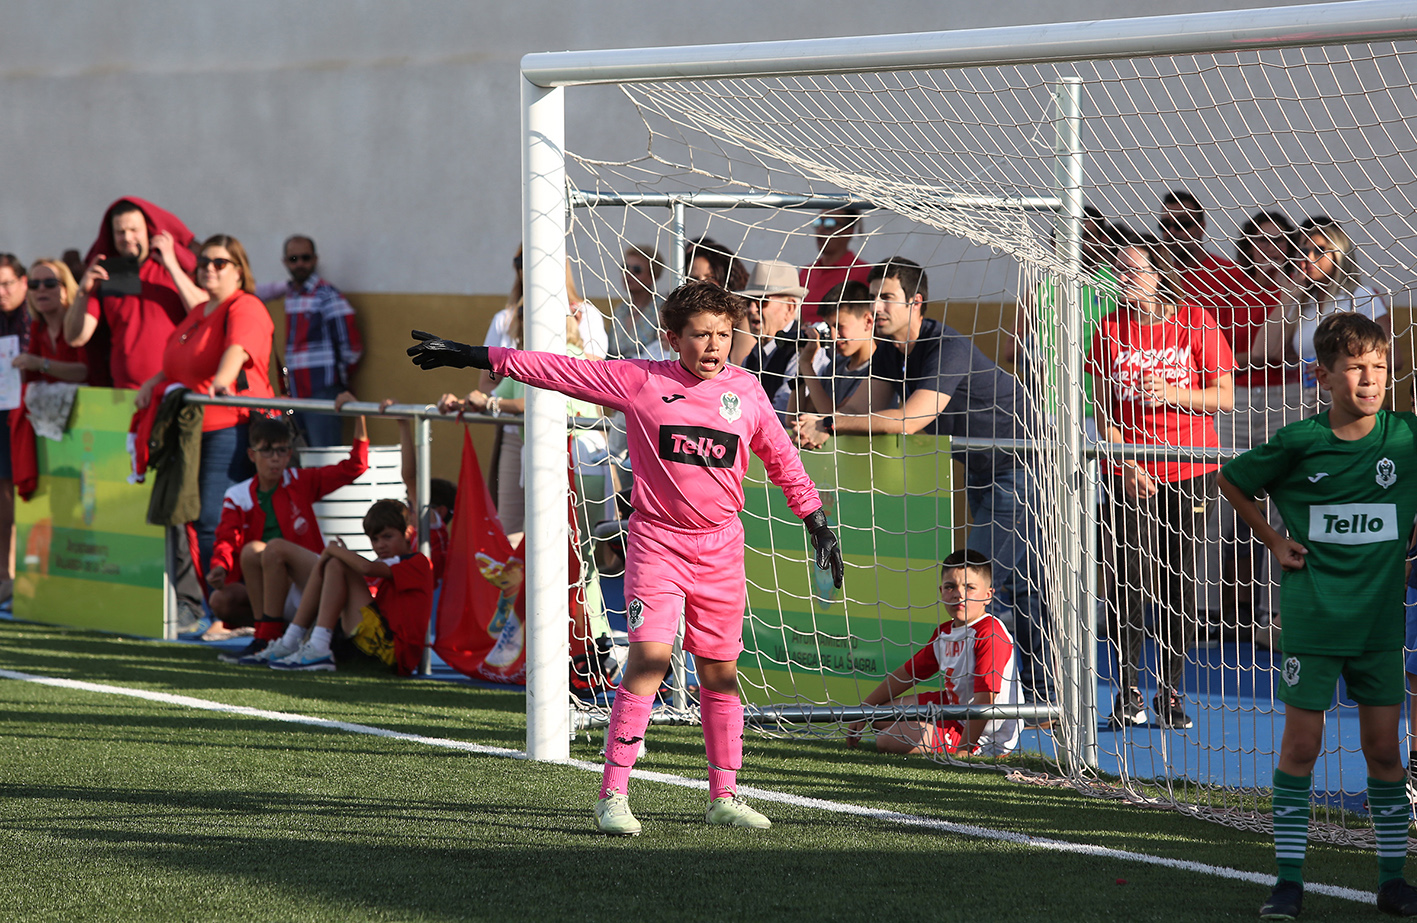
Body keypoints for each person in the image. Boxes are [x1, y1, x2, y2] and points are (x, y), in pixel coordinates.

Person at [408, 279, 843, 836]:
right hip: (657, 543)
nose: (714, 344)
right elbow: (559, 370)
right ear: (673, 339)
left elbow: (783, 461)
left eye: (723, 333)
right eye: (700, 335)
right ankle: (612, 795)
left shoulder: (747, 391)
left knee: (719, 671)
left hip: (721, 549)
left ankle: (724, 795)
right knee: (650, 661)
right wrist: (476, 355)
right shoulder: (642, 380)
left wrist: (816, 520)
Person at [1217, 312, 1417, 919]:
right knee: (1301, 747)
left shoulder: (1407, 437)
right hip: (1313, 621)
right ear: (1324, 376)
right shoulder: (1300, 441)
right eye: (1355, 367)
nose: (1370, 378)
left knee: (1385, 752)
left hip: (1378, 626)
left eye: (1379, 366)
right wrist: (1274, 541)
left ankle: (1392, 881)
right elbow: (1232, 479)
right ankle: (1288, 881)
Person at [794, 258, 1053, 708]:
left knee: (975, 584)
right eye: (872, 297)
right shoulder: (890, 352)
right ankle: (1042, 697)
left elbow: (909, 419)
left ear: (916, 302)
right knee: (1021, 585)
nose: (876, 307)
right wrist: (816, 399)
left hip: (1026, 465)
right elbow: (856, 411)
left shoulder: (945, 345)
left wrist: (829, 424)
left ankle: (985, 704)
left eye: (886, 297)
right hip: (981, 469)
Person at [1086, 238, 1234, 730]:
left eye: (1135, 271)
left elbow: (1225, 397)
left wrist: (1173, 391)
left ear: (1158, 275)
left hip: (1189, 468)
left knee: (1179, 580)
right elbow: (1103, 413)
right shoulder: (1107, 329)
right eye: (1119, 271)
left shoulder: (1194, 320)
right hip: (1129, 471)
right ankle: (1127, 689)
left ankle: (1169, 689)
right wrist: (1126, 463)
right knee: (1127, 578)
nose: (1125, 280)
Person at [134, 234, 276, 590]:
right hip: (194, 430)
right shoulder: (201, 311)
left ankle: (230, 604)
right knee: (193, 519)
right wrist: (153, 382)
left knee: (216, 519)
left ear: (239, 271)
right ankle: (215, 603)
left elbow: (238, 350)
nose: (209, 268)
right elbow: (179, 364)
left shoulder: (245, 306)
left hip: (231, 428)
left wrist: (221, 382)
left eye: (219, 263)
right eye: (203, 263)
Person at [210, 408, 370, 665]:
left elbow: (355, 466)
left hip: (310, 581)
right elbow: (226, 538)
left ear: (289, 454)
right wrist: (220, 565)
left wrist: (359, 414)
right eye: (267, 451)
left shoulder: (300, 480)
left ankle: (273, 637)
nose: (275, 458)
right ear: (251, 455)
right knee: (221, 600)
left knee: (271, 549)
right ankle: (270, 636)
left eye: (282, 450)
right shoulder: (238, 495)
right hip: (275, 590)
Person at [846, 550, 1021, 757]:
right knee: (876, 717)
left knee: (886, 740)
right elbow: (906, 674)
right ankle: (931, 732)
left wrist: (964, 749)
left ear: (988, 595)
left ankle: (967, 746)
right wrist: (863, 709)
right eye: (950, 587)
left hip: (985, 733)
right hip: (952, 707)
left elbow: (986, 698)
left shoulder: (990, 634)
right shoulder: (944, 633)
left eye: (970, 587)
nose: (959, 594)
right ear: (941, 591)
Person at [268, 499, 435, 675]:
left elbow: (366, 567)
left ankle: (312, 644)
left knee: (336, 564)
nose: (380, 545)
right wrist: (335, 556)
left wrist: (333, 551)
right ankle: (292, 640)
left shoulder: (418, 562)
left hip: (390, 652)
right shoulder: (385, 565)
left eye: (387, 536)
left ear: (408, 533)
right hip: (374, 645)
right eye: (374, 539)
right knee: (334, 564)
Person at [64, 198, 205, 390]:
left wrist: (172, 266)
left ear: (148, 231)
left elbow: (206, 314)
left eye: (134, 230)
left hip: (174, 389)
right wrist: (83, 292)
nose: (128, 237)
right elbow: (76, 338)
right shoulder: (109, 274)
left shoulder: (171, 268)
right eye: (120, 232)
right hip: (125, 393)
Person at [1006, 207, 1119, 441]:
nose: (1076, 244)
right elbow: (1010, 350)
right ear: (1054, 242)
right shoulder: (1039, 291)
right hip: (1053, 410)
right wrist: (1035, 354)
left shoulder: (1119, 284)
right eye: (1069, 236)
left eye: (1085, 236)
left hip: (1107, 413)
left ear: (1103, 240)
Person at [256, 235, 363, 447]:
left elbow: (352, 346)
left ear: (315, 259)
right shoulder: (292, 294)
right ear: (285, 262)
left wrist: (337, 378)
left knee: (325, 455)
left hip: (323, 389)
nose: (300, 264)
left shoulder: (326, 295)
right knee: (303, 454)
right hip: (297, 391)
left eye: (305, 258)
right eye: (293, 259)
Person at [1287, 216, 1390, 414]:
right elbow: (1265, 351)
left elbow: (1392, 358)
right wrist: (1289, 294)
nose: (1309, 258)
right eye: (1304, 251)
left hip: (1353, 402)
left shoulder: (1360, 296)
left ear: (1338, 254)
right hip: (1309, 403)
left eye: (1320, 250)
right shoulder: (1303, 302)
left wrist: (1335, 365)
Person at [1157, 189, 1255, 320]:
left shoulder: (1232, 274)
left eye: (1182, 223)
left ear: (1201, 227)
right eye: (1165, 225)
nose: (1172, 231)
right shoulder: (1158, 278)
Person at [731, 259, 808, 418]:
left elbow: (782, 412)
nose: (752, 309)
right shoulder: (754, 354)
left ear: (790, 307)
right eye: (749, 301)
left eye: (762, 301)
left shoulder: (803, 350)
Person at [793, 280, 880, 414]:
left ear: (868, 321)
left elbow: (834, 420)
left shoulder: (877, 370)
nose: (833, 336)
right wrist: (802, 366)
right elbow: (794, 417)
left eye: (839, 326)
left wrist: (806, 365)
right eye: (829, 327)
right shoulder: (836, 366)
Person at [0, 255, 29, 604]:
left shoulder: (34, 316)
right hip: (4, 413)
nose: (1, 292)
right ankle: (4, 575)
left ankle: (20, 575)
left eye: (7, 284)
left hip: (30, 415)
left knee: (20, 493)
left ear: (23, 282)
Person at [15, 260, 88, 384]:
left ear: (65, 290)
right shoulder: (38, 327)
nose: (41, 289)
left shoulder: (79, 321)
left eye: (50, 283)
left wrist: (42, 364)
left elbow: (85, 372)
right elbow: (30, 374)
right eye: (33, 284)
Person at [799, 207, 871, 323]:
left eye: (830, 224)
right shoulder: (807, 272)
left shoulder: (863, 272)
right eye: (817, 222)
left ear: (849, 230)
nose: (821, 229)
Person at [608, 244, 664, 361]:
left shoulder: (662, 309)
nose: (628, 273)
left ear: (653, 276)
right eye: (624, 268)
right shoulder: (620, 310)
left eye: (637, 270)